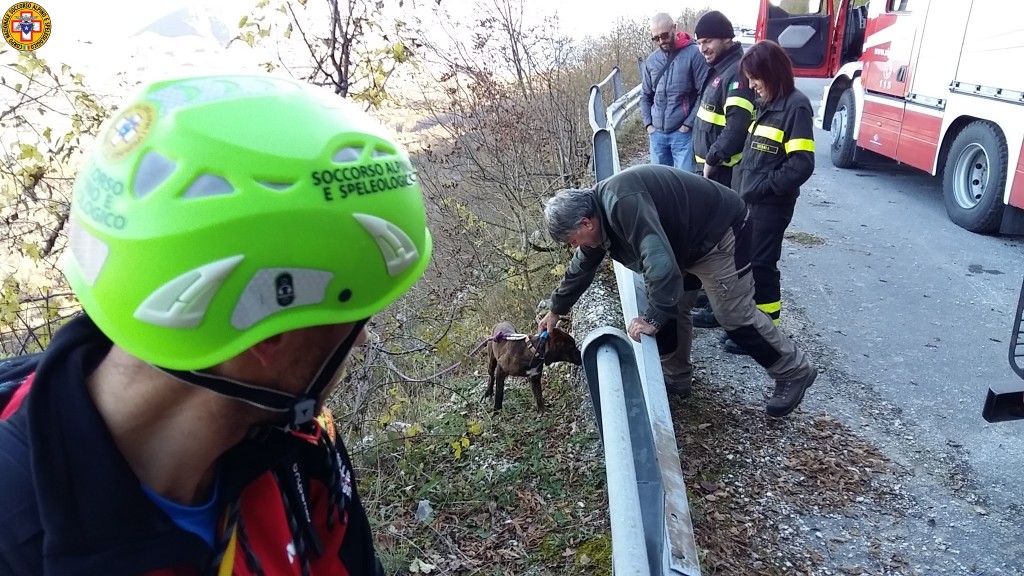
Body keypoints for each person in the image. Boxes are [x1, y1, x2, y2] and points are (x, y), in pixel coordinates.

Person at [0, 74, 432, 574]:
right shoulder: (18, 545)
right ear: (268, 336)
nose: (361, 338)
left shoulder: (299, 444)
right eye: (355, 317)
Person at [537, 164, 817, 417]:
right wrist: (556, 309)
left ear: (587, 223)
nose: (574, 247)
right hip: (683, 243)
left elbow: (659, 263)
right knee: (673, 305)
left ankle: (793, 370)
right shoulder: (596, 214)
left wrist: (653, 317)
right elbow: (582, 267)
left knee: (732, 314)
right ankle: (675, 379)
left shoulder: (623, 204)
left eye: (573, 240)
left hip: (719, 233)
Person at [726, 40, 815, 354]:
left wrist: (762, 188)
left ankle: (765, 336)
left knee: (762, 266)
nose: (751, 85)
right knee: (746, 263)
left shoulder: (796, 106)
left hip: (771, 205)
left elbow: (801, 164)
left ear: (773, 73)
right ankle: (750, 325)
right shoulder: (766, 104)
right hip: (750, 202)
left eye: (755, 78)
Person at [690, 10, 759, 335]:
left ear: (727, 39)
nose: (703, 47)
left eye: (709, 41)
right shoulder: (718, 68)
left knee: (721, 244)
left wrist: (712, 160)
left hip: (722, 174)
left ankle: (721, 310)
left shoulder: (737, 73)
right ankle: (709, 298)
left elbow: (737, 127)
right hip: (712, 172)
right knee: (710, 240)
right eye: (700, 42)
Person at [639, 12, 708, 172]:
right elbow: (645, 96)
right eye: (656, 38)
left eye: (664, 35)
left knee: (684, 185)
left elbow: (703, 94)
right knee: (660, 184)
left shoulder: (694, 55)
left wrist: (688, 125)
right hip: (657, 136)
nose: (661, 41)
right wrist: (648, 125)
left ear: (674, 28)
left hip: (682, 135)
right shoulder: (652, 60)